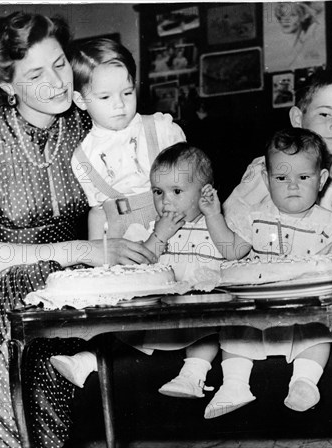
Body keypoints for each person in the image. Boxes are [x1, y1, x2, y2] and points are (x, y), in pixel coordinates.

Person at [0, 12, 156, 448]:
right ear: (7, 85)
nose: (58, 83)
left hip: (77, 286)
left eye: (60, 64)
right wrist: (80, 250)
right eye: (36, 73)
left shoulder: (88, 119)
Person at [52, 143, 225, 399]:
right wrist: (160, 234)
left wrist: (215, 216)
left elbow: (233, 251)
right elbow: (142, 262)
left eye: (176, 191)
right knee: (122, 329)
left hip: (196, 311)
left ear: (204, 193)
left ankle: (192, 376)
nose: (165, 200)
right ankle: (87, 361)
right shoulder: (152, 229)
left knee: (208, 332)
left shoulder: (214, 227)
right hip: (157, 314)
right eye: (158, 192)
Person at [199, 127, 332, 419]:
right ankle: (233, 385)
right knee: (234, 333)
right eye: (281, 178)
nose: (292, 185)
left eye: (303, 178)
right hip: (259, 307)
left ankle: (304, 382)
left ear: (321, 181)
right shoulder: (255, 218)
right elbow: (231, 250)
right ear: (267, 181)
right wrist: (213, 216)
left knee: (319, 335)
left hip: (304, 309)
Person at [224, 68, 332, 279]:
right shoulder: (268, 170)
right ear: (297, 118)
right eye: (324, 114)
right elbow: (231, 227)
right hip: (270, 285)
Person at [67, 38, 186, 240]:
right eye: (105, 97)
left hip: (173, 228)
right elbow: (97, 212)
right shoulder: (83, 157)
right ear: (80, 100)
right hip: (122, 240)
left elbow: (188, 185)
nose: (119, 104)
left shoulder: (161, 129)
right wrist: (100, 262)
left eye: (127, 93)